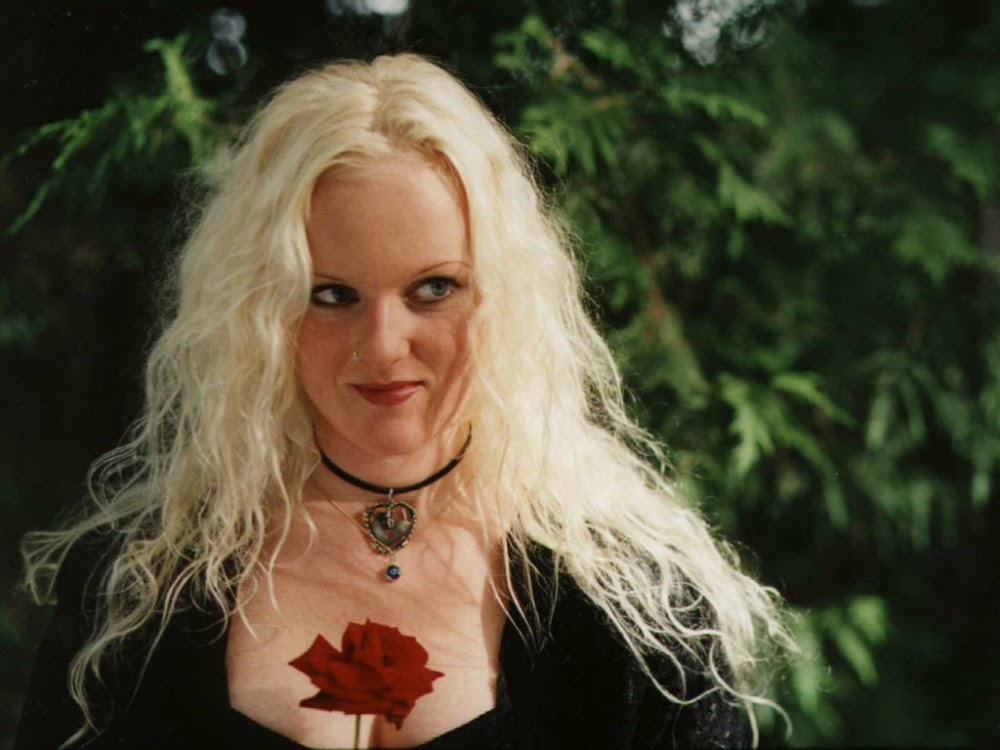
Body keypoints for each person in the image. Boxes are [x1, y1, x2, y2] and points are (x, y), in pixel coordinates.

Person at [16, 53, 789, 749]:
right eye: (331, 295)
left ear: (504, 296)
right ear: (260, 311)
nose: (384, 345)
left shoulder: (636, 603)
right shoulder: (137, 589)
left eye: (434, 288)